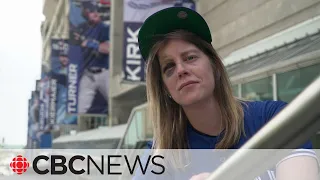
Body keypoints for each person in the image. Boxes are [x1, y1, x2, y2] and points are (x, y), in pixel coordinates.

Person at [134, 6, 319, 180]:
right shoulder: (159, 156)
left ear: (214, 66)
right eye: (169, 67)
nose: (181, 69)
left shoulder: (271, 119)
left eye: (190, 57)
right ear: (165, 88)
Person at [70, 1, 110, 114]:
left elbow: (108, 48)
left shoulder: (104, 28)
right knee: (81, 111)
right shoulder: (81, 28)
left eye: (96, 11)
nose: (95, 13)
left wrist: (89, 43)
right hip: (88, 75)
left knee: (114, 102)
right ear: (85, 13)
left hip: (104, 72)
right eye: (91, 11)